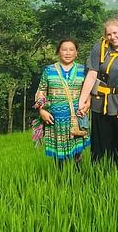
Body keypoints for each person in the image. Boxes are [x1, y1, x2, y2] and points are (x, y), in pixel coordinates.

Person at [77, 17, 118, 164]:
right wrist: (82, 100)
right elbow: (92, 74)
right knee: (101, 142)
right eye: (109, 34)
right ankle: (100, 172)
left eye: (115, 33)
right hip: (100, 102)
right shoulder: (100, 49)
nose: (112, 37)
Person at [34, 38, 90, 167]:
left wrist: (87, 105)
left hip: (77, 118)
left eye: (71, 49)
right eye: (64, 49)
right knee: (59, 159)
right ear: (58, 51)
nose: (68, 53)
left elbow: (89, 92)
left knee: (78, 156)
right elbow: (41, 91)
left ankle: (78, 180)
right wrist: (41, 111)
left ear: (76, 52)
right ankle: (61, 181)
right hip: (55, 120)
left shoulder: (83, 70)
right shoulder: (49, 70)